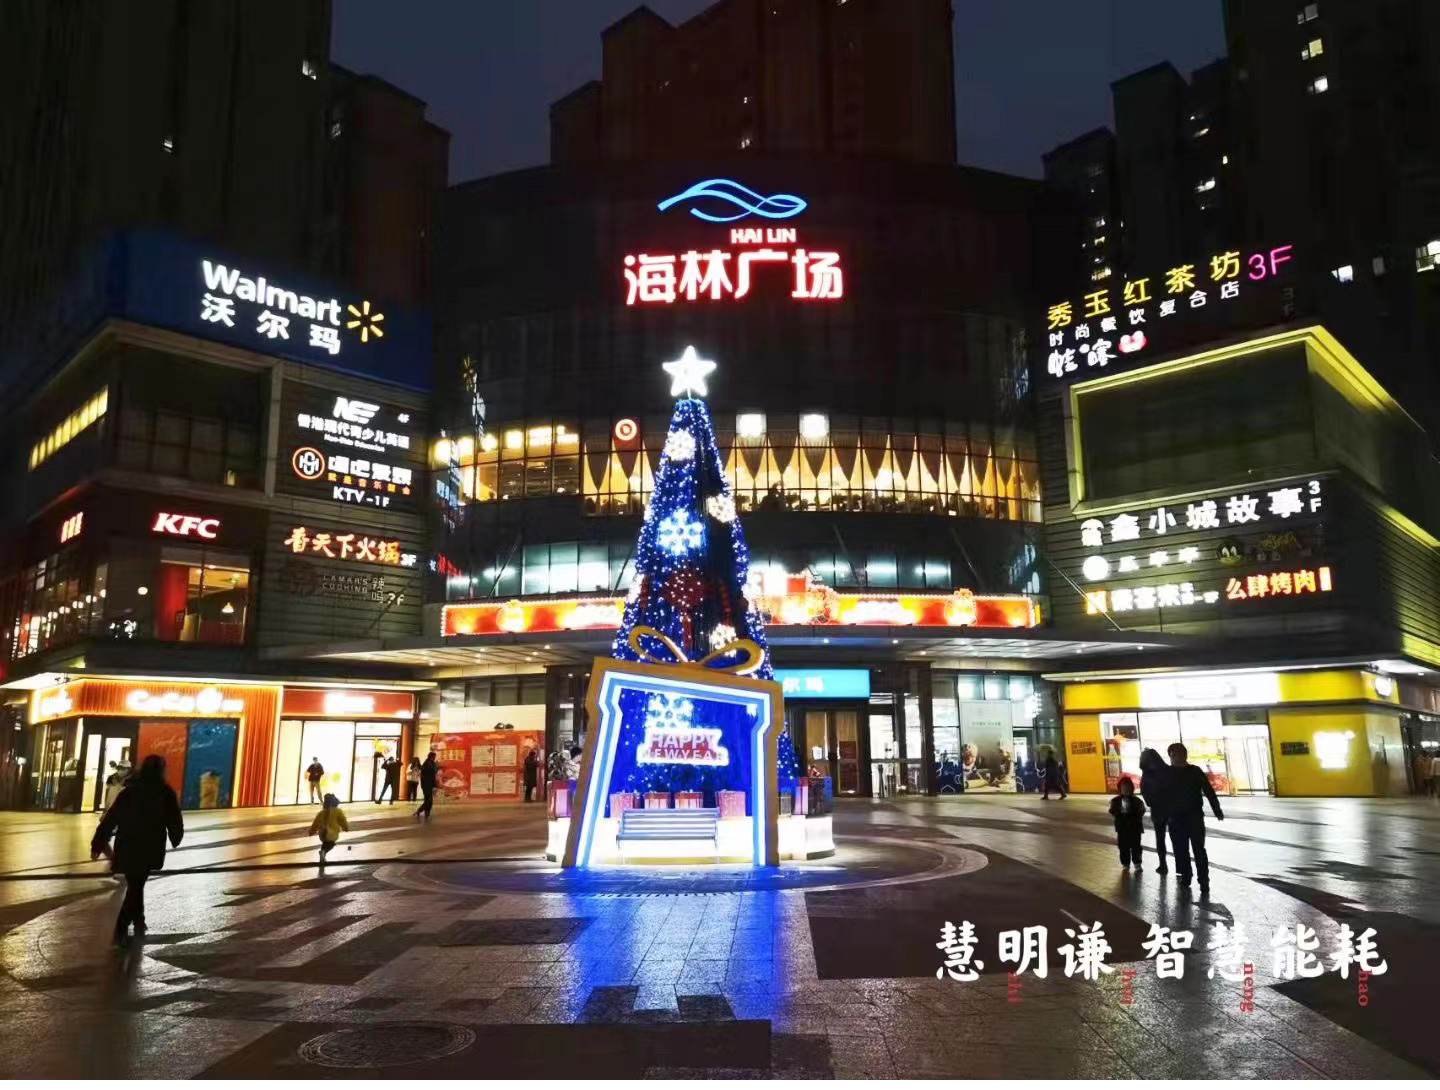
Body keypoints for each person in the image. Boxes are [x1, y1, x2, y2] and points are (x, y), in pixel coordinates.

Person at [90, 754, 184, 948]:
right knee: (137, 885)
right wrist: (175, 837)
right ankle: (121, 929)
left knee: (136, 884)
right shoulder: (164, 792)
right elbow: (174, 819)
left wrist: (98, 842)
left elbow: (111, 818)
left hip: (127, 844)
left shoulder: (130, 791)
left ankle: (139, 921)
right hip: (149, 846)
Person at [1166, 742, 1224, 895]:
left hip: (1194, 817)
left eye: (1181, 753)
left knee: (1199, 850)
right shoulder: (1166, 773)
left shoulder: (1195, 771)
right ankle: (1186, 876)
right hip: (1176, 819)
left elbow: (1208, 790)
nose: (1178, 757)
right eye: (1174, 754)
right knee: (1181, 850)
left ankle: (1204, 880)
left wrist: (1217, 809)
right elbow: (1159, 795)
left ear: (1185, 755)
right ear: (1170, 756)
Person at [1138, 747, 1172, 874]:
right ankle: (1182, 867)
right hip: (1172, 808)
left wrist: (1153, 801)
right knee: (1177, 837)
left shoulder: (1147, 774)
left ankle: (1163, 864)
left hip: (1157, 810)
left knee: (1160, 838)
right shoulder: (1168, 770)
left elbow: (1145, 794)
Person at [1108, 776, 1146, 869]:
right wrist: (1119, 812)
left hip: (1135, 827)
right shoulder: (1115, 801)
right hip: (1122, 828)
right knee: (1123, 846)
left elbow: (1141, 811)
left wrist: (1132, 814)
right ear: (1120, 789)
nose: (1126, 790)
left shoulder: (1137, 801)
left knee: (1136, 846)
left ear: (1131, 788)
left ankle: (1137, 863)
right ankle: (1125, 863)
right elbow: (1112, 811)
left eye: (1128, 787)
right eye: (1123, 788)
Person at [308, 792, 349, 863]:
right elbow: (343, 821)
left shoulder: (321, 812)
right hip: (332, 833)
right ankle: (323, 852)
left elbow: (316, 823)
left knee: (325, 844)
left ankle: (322, 855)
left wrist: (312, 831)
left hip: (323, 833)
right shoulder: (338, 811)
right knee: (331, 844)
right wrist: (345, 828)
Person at [414, 751, 438, 821]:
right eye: (434, 756)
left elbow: (433, 774)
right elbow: (427, 775)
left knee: (428, 801)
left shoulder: (432, 763)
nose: (434, 758)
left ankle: (421, 811)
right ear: (431, 756)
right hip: (426, 785)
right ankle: (425, 813)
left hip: (430, 785)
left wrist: (434, 785)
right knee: (428, 801)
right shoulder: (426, 764)